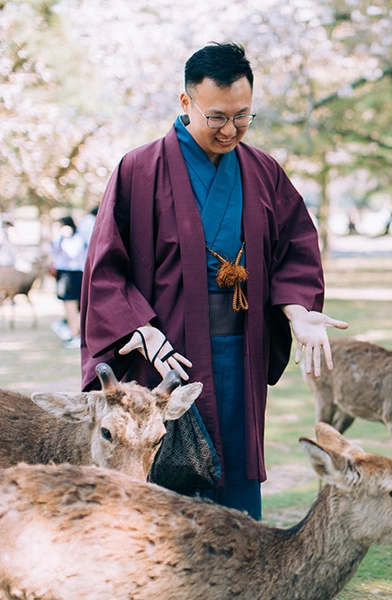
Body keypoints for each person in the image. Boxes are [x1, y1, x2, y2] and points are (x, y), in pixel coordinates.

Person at [80, 42, 348, 521]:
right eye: (217, 117)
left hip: (240, 353)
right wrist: (140, 329)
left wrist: (298, 312)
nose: (230, 130)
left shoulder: (262, 170)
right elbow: (105, 269)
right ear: (186, 104)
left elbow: (295, 250)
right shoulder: (138, 170)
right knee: (164, 483)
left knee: (236, 475)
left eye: (243, 117)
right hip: (167, 358)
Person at [50, 215, 86, 348]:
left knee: (72, 304)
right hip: (63, 273)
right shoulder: (59, 239)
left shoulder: (76, 239)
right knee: (67, 305)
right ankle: (74, 332)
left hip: (73, 274)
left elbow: (72, 253)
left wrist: (65, 238)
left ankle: (76, 335)